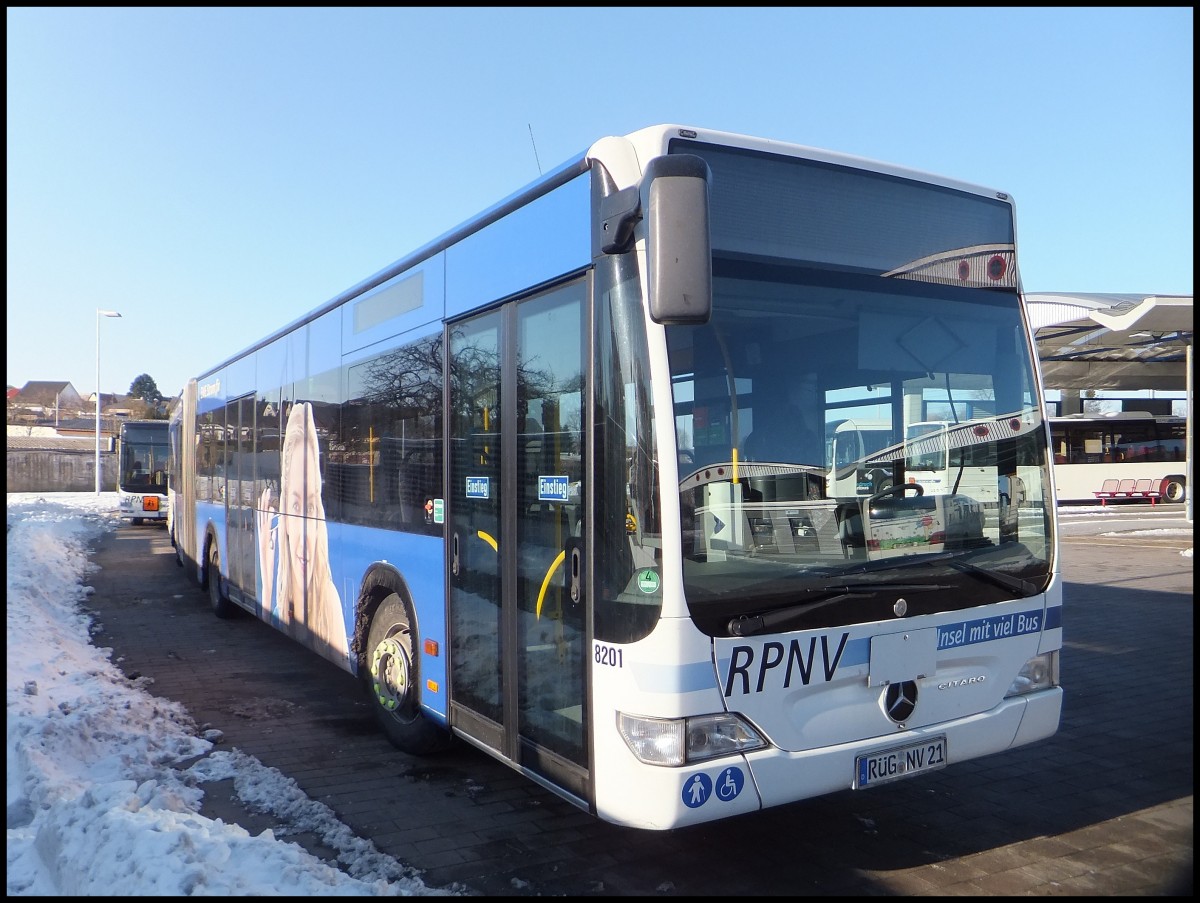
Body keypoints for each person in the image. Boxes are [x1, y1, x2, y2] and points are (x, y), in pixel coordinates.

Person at [257, 401, 349, 667]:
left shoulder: (327, 600)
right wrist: (267, 575)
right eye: (296, 506)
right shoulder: (279, 603)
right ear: (284, 512)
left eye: (310, 505)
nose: (306, 534)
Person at [743, 373, 825, 466]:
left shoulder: (808, 438)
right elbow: (754, 466)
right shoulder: (761, 437)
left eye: (790, 418)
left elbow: (814, 470)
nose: (788, 421)